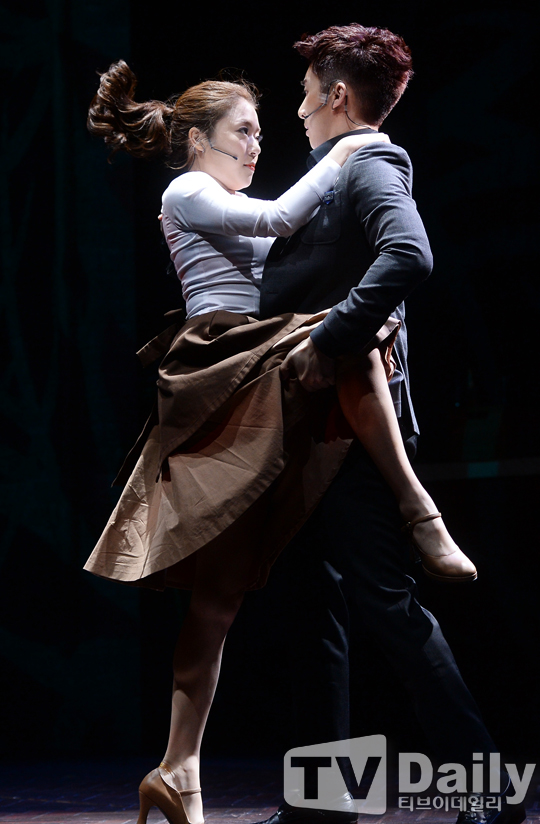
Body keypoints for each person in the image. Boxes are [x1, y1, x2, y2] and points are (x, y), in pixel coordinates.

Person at [84, 57, 477, 824]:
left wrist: (361, 307)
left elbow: (342, 256)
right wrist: (349, 149)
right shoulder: (189, 190)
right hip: (227, 359)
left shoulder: (248, 194)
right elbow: (282, 222)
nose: (261, 142)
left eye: (264, 129)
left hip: (262, 369)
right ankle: (418, 508)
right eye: (244, 131)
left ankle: (183, 769)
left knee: (237, 597)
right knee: (285, 598)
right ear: (197, 141)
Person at [251, 23, 525, 824]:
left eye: (308, 93)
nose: (300, 109)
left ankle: (488, 793)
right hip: (309, 426)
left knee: (388, 605)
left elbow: (410, 254)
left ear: (338, 95)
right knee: (315, 612)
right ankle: (322, 803)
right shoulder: (333, 173)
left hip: (350, 426)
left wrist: (332, 336)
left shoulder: (369, 162)